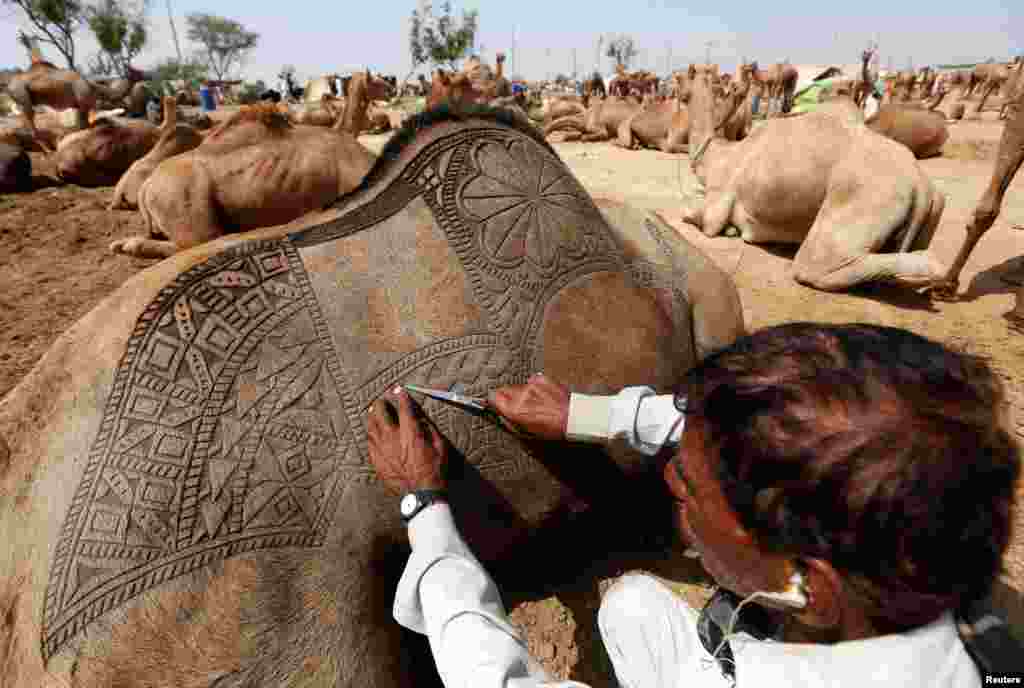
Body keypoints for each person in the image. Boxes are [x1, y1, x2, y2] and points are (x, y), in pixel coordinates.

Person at [366, 323, 1020, 688]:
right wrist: (584, 414)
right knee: (632, 605)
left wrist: (425, 506)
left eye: (692, 494)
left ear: (809, 587)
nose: (674, 484)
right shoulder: (926, 557)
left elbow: (497, 680)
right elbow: (731, 427)